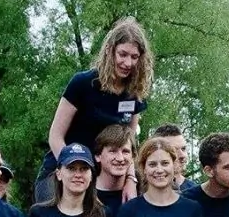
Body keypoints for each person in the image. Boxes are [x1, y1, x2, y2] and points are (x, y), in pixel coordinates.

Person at [40, 18, 151, 205]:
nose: (128, 63)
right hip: (62, 170)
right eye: (122, 54)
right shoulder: (83, 83)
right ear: (110, 50)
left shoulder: (135, 93)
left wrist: (131, 179)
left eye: (134, 57)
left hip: (105, 179)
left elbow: (130, 145)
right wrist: (71, 172)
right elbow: (55, 136)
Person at [91, 124, 139, 212]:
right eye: (113, 151)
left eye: (125, 151)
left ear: (133, 157)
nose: (120, 158)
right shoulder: (83, 192)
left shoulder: (141, 193)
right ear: (98, 155)